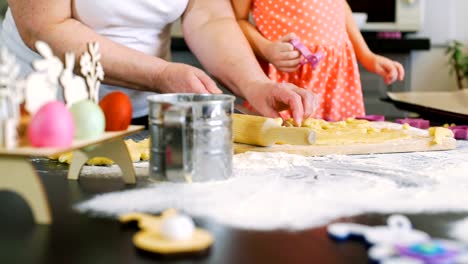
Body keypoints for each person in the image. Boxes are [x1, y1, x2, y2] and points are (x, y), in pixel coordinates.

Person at [1, 0, 318, 126]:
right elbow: (43, 27)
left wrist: (255, 84)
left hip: (141, 113)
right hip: (39, 114)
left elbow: (208, 16)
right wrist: (161, 74)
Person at [232, 0, 405, 121]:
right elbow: (238, 20)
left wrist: (366, 55)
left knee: (340, 146)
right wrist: (266, 48)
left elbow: (340, 6)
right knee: (283, 148)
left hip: (336, 76)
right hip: (287, 75)